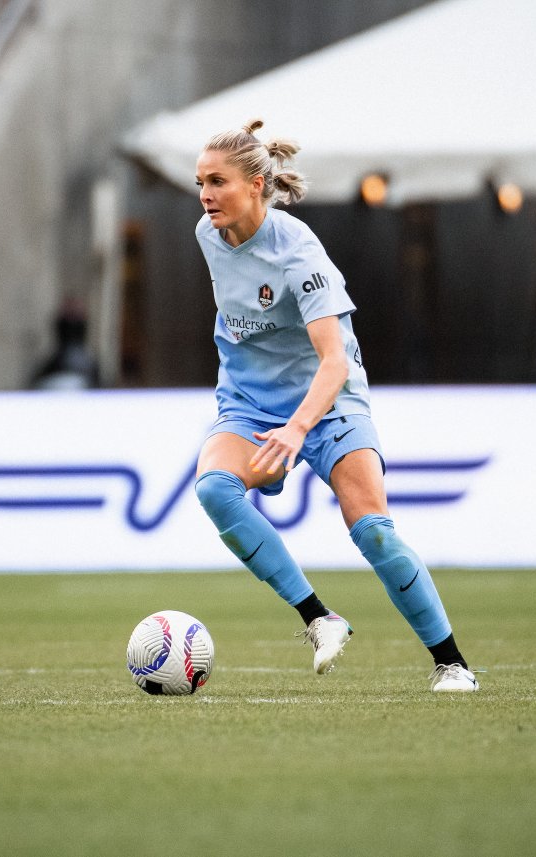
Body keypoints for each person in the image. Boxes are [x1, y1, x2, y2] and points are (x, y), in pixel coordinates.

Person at [191, 119, 477, 693]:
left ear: (254, 184)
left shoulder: (300, 253)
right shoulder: (207, 233)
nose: (205, 196)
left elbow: (335, 362)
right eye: (199, 182)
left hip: (329, 402)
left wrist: (298, 431)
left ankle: (453, 664)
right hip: (249, 403)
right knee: (214, 489)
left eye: (217, 182)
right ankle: (320, 618)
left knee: (372, 529)